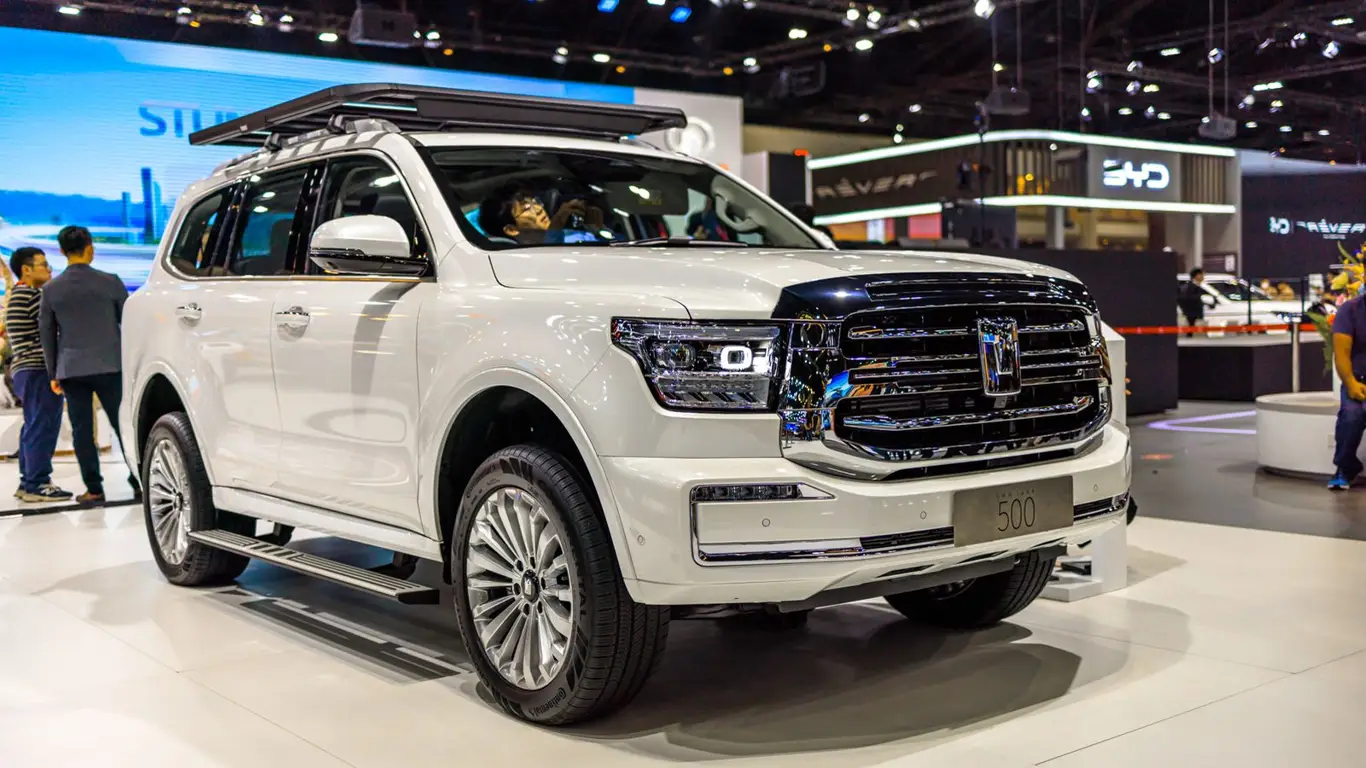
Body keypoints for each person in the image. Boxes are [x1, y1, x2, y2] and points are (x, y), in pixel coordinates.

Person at [39, 226, 137, 504]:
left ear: (61, 251)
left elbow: (47, 333)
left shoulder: (51, 289)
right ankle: (139, 482)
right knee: (123, 426)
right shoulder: (110, 282)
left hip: (72, 369)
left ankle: (94, 489)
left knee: (82, 431)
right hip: (111, 366)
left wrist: (53, 372)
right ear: (90, 248)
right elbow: (130, 323)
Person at [6, 247, 71, 502]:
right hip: (37, 369)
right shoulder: (32, 296)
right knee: (43, 426)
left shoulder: (20, 294)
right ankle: (37, 483)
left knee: (34, 425)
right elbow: (59, 325)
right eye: (43, 265)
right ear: (26, 269)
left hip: (26, 370)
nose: (49, 270)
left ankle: (29, 482)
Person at [478, 186, 607, 245]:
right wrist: (557, 224)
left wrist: (597, 229)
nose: (539, 209)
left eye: (535, 202)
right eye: (527, 209)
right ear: (511, 230)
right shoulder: (518, 260)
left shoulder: (570, 234)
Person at [1330, 291, 1366, 490]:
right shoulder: (1349, 310)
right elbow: (1341, 354)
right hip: (1358, 381)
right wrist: (1351, 383)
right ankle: (1346, 467)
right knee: (1351, 416)